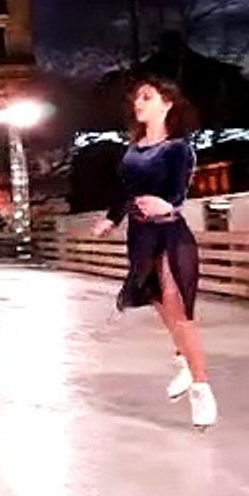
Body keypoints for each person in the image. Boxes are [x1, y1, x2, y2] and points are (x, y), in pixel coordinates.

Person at [92, 75, 217, 429]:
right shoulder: (132, 150)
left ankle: (201, 388)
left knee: (179, 306)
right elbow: (123, 192)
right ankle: (183, 361)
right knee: (161, 304)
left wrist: (167, 204)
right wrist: (111, 219)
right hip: (140, 236)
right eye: (137, 98)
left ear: (167, 103)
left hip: (170, 232)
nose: (138, 103)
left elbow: (178, 190)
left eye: (147, 97)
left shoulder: (178, 148)